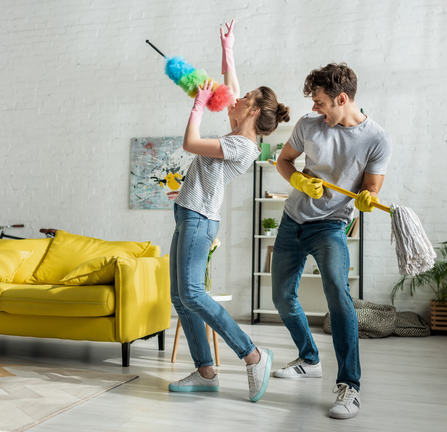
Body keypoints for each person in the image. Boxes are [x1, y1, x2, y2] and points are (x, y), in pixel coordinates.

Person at [168, 19, 290, 403]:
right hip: (189, 213)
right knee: (180, 297)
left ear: (253, 111)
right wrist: (228, 49)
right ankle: (206, 372)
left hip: (199, 220)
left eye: (247, 97)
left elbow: (191, 143)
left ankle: (252, 355)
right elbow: (232, 87)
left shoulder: (242, 146)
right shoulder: (239, 131)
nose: (237, 96)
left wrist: (198, 104)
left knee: (192, 292)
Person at [270, 63, 393, 419]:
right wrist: (297, 180)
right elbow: (284, 161)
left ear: (342, 99)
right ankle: (309, 358)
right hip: (292, 220)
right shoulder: (309, 124)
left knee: (338, 295)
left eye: (320, 101)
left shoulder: (377, 139)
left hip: (331, 226)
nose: (314, 108)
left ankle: (349, 385)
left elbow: (372, 188)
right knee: (281, 297)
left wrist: (368, 198)